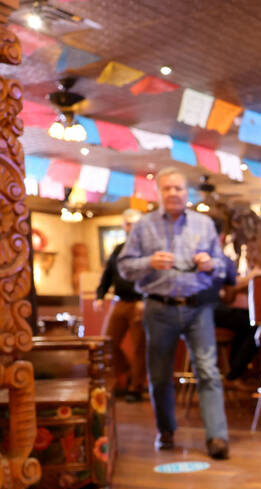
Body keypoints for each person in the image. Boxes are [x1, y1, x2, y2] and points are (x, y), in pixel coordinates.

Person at [119, 167, 231, 459]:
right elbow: (124, 266)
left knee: (207, 371)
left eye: (178, 188)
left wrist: (210, 264)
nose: (173, 194)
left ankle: (217, 438)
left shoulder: (204, 224)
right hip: (158, 308)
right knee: (159, 375)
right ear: (158, 193)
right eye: (167, 188)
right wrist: (148, 263)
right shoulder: (143, 226)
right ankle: (166, 431)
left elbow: (223, 265)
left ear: (187, 192)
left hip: (197, 308)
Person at [94, 208, 146, 402]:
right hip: (120, 301)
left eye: (135, 223)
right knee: (107, 342)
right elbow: (107, 275)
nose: (131, 227)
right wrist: (100, 295)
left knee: (140, 346)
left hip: (140, 303)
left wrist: (145, 299)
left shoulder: (146, 250)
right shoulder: (118, 249)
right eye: (128, 223)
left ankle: (136, 387)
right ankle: (127, 370)